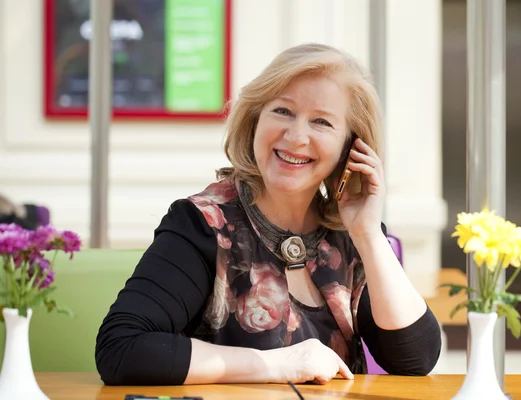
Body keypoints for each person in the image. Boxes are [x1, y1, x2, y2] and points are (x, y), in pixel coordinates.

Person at [95, 43, 441, 386]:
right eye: (283, 111)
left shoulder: (351, 233)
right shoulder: (203, 223)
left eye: (321, 122)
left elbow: (414, 360)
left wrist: (367, 233)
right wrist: (277, 365)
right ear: (255, 119)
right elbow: (122, 349)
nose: (295, 136)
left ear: (351, 149)